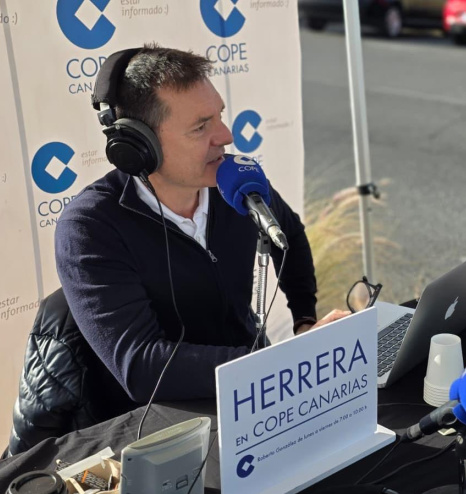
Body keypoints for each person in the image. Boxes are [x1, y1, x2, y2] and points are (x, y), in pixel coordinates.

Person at [54, 45, 348, 410]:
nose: (225, 135)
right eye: (200, 126)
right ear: (138, 145)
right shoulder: (89, 228)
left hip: (258, 386)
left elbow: (288, 237)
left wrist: (304, 320)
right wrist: (283, 361)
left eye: (219, 115)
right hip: (160, 424)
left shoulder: (237, 182)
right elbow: (141, 366)